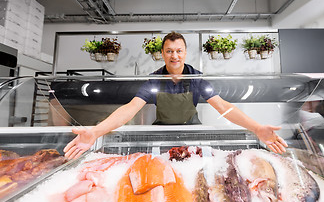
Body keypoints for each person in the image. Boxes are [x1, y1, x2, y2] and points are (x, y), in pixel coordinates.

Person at [64, 32, 288, 159]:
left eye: (179, 50)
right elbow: (130, 108)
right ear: (162, 53)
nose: (174, 56)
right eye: (169, 51)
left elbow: (223, 106)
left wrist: (256, 128)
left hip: (192, 129)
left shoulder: (196, 78)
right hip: (162, 133)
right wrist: (96, 131)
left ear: (185, 53)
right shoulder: (155, 79)